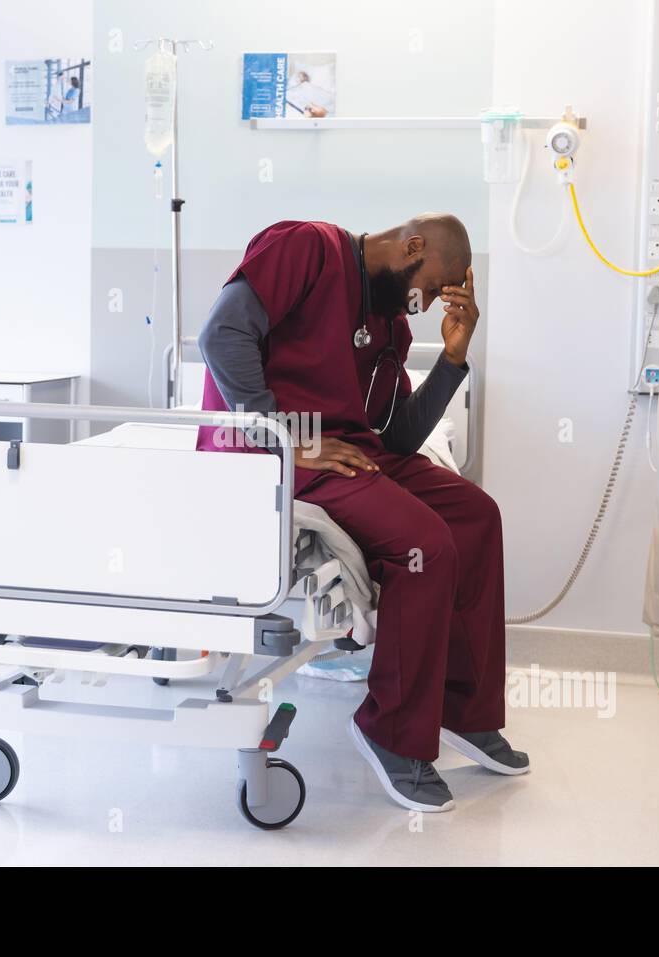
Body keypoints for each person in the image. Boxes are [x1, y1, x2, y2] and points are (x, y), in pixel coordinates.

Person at [196, 215, 527, 813]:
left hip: (349, 455)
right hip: (268, 453)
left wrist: (452, 360)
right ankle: (391, 730)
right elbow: (221, 335)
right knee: (424, 542)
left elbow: (397, 437)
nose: (425, 308)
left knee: (476, 516)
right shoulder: (306, 248)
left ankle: (461, 708)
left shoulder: (390, 325)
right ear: (412, 246)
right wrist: (287, 437)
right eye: (428, 290)